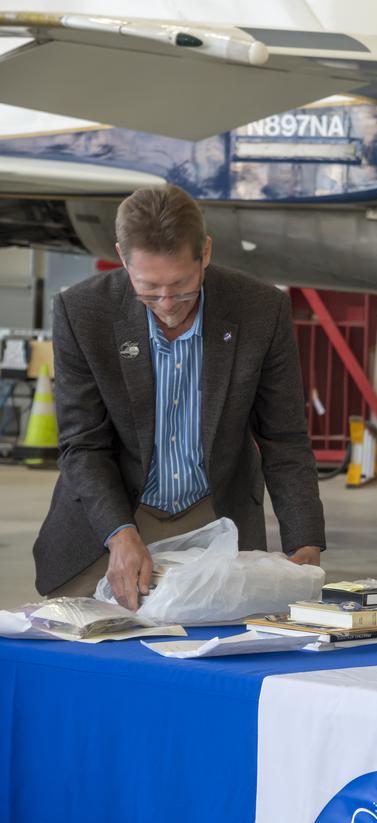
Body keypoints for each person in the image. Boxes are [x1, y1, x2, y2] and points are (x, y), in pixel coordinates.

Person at [33, 184, 325, 608]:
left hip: (215, 517)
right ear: (122, 257)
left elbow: (285, 439)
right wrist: (119, 532)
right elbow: (83, 444)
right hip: (114, 516)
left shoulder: (261, 310)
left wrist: (305, 542)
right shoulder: (82, 313)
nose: (167, 303)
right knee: (81, 652)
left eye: (182, 285)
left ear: (205, 253)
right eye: (149, 288)